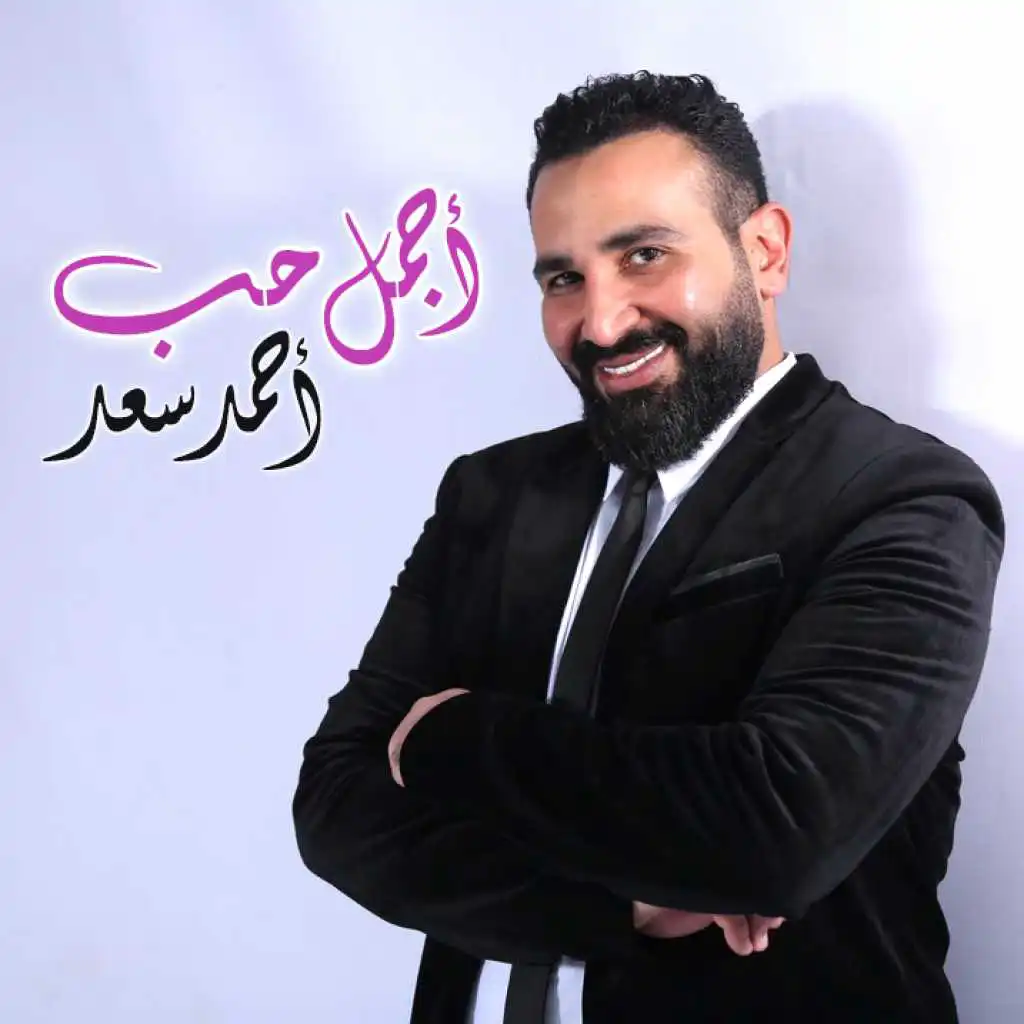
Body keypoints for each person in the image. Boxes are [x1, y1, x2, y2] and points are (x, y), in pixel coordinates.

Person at [291, 72, 1004, 1023]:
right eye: (563, 278)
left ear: (765, 249)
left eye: (644, 255)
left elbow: (774, 828)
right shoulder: (491, 494)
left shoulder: (902, 496)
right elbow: (336, 806)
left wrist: (447, 737)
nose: (600, 321)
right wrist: (616, 906)